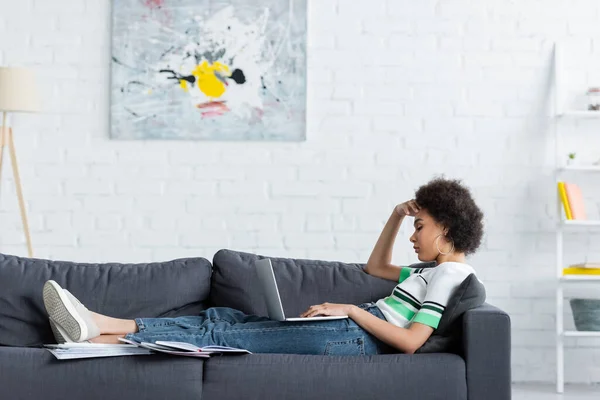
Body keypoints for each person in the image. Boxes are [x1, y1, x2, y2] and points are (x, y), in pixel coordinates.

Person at [42, 177, 484, 355]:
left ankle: (98, 327)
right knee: (223, 317)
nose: (413, 235)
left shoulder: (451, 275)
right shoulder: (426, 271)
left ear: (445, 227)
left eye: (420, 226)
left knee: (221, 335)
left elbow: (410, 341)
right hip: (349, 331)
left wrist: (351, 310)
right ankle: (98, 336)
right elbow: (375, 266)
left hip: (353, 336)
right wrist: (395, 214)